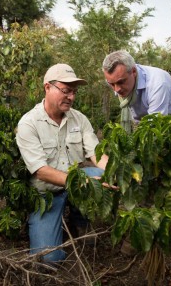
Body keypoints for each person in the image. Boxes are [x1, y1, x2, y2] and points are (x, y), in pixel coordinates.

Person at [16, 63, 109, 263]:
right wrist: (79, 182)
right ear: (47, 87)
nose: (71, 97)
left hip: (74, 184)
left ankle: (80, 219)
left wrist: (114, 174)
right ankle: (50, 226)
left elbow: (96, 154)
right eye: (65, 90)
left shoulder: (80, 119)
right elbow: (41, 171)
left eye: (74, 92)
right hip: (47, 193)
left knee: (103, 178)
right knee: (48, 259)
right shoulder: (28, 123)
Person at [102, 50, 171, 133]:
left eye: (121, 82)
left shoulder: (158, 83)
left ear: (134, 72)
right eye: (112, 84)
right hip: (141, 121)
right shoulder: (119, 80)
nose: (117, 89)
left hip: (170, 121)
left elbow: (155, 123)